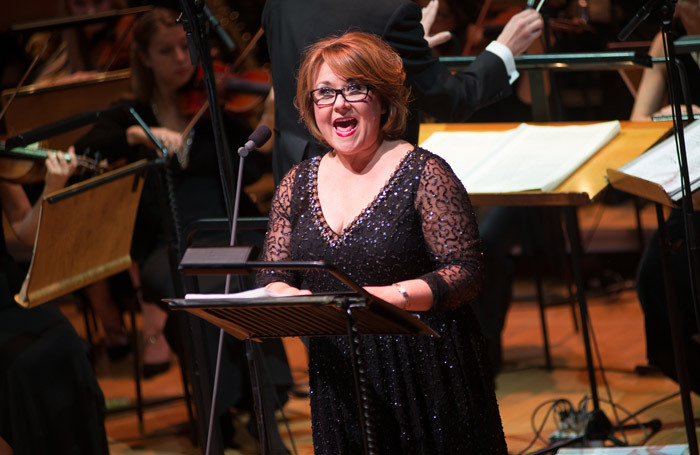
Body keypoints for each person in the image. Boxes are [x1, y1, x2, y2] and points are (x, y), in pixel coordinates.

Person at [256, 31, 506, 453]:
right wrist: (285, 298)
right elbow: (274, 273)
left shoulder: (425, 173)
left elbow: (466, 272)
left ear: (384, 97)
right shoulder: (296, 184)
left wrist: (389, 299)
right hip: (342, 377)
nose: (339, 103)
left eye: (355, 88)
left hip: (423, 370)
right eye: (325, 93)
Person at [74, 7, 293, 449]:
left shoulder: (214, 105)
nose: (181, 59)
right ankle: (230, 407)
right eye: (166, 51)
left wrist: (268, 115)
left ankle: (254, 411)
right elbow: (86, 149)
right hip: (170, 241)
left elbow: (249, 175)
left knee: (248, 280)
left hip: (229, 232)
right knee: (198, 285)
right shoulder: (130, 115)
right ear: (145, 58)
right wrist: (140, 136)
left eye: (185, 48)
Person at [262, 0, 543, 182]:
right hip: (369, 182)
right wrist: (504, 48)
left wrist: (405, 51)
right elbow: (451, 100)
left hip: (293, 175)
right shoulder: (391, 11)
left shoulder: (279, 5)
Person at [0, 149, 109, 454]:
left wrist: (53, 185)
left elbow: (25, 228)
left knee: (66, 344)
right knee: (18, 366)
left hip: (5, 287)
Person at [631, 0, 700, 393]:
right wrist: (669, 115)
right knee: (654, 285)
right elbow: (638, 119)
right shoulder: (665, 39)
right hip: (690, 188)